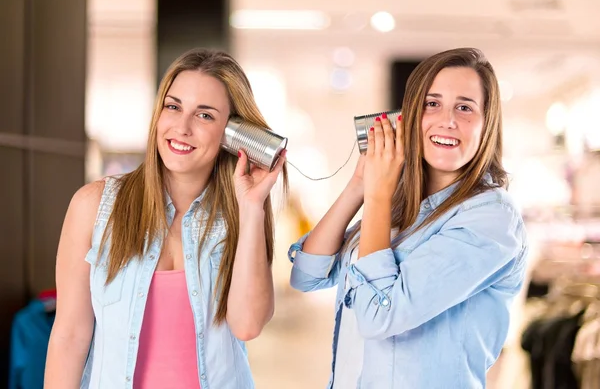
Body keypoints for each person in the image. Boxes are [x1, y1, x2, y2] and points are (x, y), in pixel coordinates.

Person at [44, 48, 287, 389]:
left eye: (205, 116)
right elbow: (69, 336)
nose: (182, 127)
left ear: (232, 134)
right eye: (173, 107)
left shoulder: (241, 214)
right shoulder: (94, 206)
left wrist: (251, 207)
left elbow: (247, 325)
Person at [288, 47, 528, 388]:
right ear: (411, 116)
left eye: (464, 107)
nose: (447, 120)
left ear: (487, 124)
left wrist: (377, 196)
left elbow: (379, 316)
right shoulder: (402, 209)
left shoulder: (490, 218)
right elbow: (308, 275)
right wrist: (360, 185)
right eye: (432, 103)